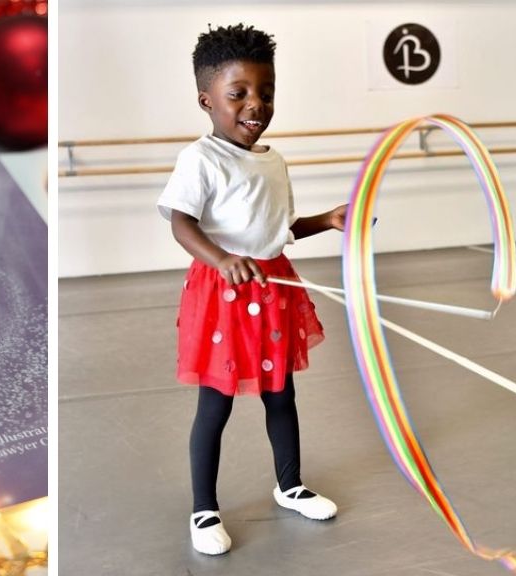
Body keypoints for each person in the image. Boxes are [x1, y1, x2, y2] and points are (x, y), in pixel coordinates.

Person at [156, 24, 348, 556]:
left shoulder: (273, 161)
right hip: (223, 294)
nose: (255, 105)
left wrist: (326, 219)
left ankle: (290, 485)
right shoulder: (201, 159)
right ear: (207, 100)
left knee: (281, 394)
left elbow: (277, 230)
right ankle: (203, 509)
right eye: (238, 93)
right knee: (215, 406)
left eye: (265, 92)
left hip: (274, 287)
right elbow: (181, 223)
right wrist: (222, 258)